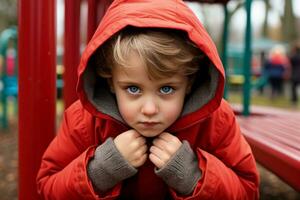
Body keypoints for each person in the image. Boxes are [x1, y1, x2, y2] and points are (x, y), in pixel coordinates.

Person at [36, 0, 259, 199]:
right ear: (111, 82)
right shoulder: (83, 120)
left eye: (166, 89)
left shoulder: (215, 120)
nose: (150, 109)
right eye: (133, 89)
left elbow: (248, 190)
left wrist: (193, 175)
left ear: (189, 83)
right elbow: (48, 187)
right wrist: (102, 169)